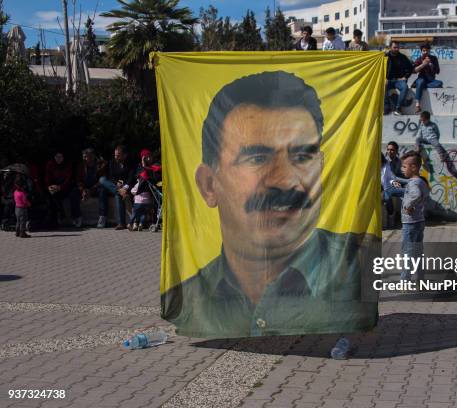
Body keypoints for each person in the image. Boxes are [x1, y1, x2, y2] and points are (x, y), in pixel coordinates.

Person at [162, 71, 378, 339]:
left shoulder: (360, 263)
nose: (286, 181)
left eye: (301, 156)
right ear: (209, 185)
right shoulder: (186, 299)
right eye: (257, 158)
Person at [399, 151, 429, 282]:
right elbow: (424, 194)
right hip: (419, 221)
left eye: (405, 166)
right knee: (417, 253)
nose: (402, 169)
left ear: (414, 167)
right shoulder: (420, 181)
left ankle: (404, 282)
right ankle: (420, 280)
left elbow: (416, 195)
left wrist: (408, 206)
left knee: (407, 253)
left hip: (410, 223)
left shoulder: (413, 183)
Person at [98, 145, 135, 230]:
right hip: (116, 186)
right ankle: (119, 191)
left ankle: (121, 223)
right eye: (115, 155)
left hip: (127, 186)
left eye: (118, 155)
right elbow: (111, 176)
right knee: (102, 179)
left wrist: (125, 187)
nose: (116, 157)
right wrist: (117, 184)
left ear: (124, 155)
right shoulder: (112, 162)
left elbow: (131, 177)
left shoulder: (130, 163)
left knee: (118, 196)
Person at [45, 151, 82, 228]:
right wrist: (49, 186)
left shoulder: (68, 165)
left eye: (60, 157)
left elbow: (68, 180)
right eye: (57, 157)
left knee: (74, 193)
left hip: (66, 187)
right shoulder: (50, 164)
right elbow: (47, 178)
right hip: (54, 188)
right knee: (51, 196)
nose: (58, 159)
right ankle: (57, 217)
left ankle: (76, 217)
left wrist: (60, 187)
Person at [385, 41, 413, 116]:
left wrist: (405, 77)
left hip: (398, 80)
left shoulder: (403, 57)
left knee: (405, 87)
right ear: (390, 47)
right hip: (388, 80)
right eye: (394, 47)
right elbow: (379, 68)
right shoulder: (385, 56)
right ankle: (386, 108)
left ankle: (398, 108)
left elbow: (410, 68)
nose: (396, 49)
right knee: (382, 87)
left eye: (397, 47)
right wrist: (384, 78)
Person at [413, 43, 442, 114]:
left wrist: (431, 65)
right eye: (424, 51)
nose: (425, 52)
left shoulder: (434, 58)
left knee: (440, 83)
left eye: (427, 51)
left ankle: (421, 86)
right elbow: (414, 71)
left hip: (431, 81)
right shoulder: (419, 59)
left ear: (429, 51)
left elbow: (438, 71)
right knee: (420, 82)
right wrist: (423, 64)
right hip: (421, 79)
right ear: (421, 51)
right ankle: (417, 105)